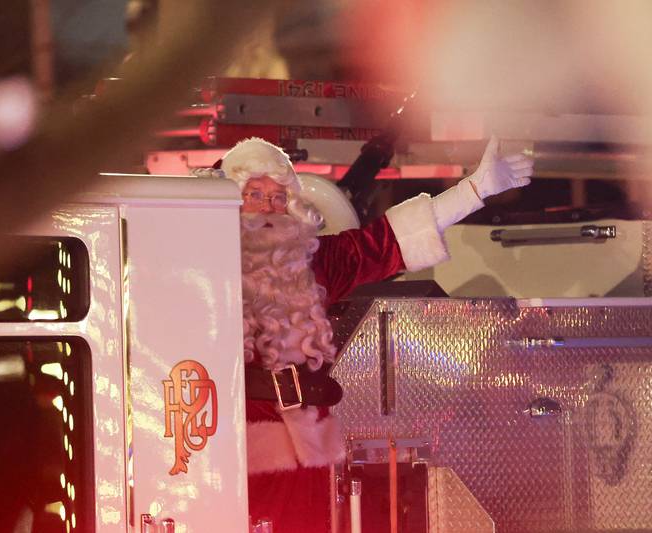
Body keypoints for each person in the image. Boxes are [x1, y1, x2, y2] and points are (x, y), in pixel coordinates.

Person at [213, 136, 533, 532]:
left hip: (307, 441)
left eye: (278, 198)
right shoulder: (201, 268)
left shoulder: (314, 264)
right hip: (240, 443)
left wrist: (475, 189)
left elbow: (389, 241)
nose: (268, 207)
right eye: (255, 194)